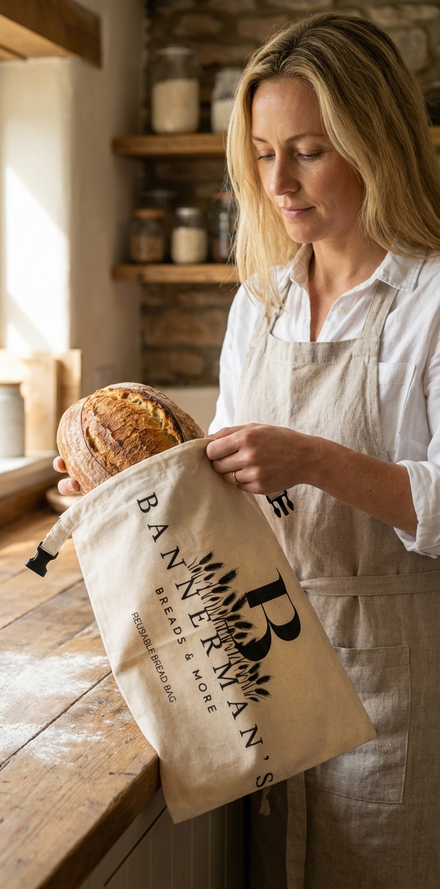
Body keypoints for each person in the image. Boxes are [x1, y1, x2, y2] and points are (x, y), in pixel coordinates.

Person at [203, 10, 440, 889]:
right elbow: (230, 479)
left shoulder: (429, 297)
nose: (280, 182)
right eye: (263, 154)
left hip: (403, 678)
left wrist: (312, 460)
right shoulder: (256, 303)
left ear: (374, 142)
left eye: (307, 149)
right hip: (270, 675)